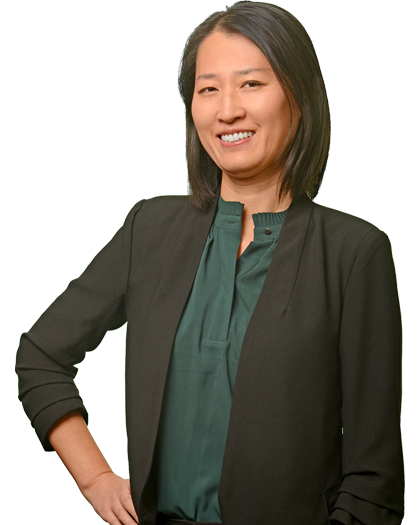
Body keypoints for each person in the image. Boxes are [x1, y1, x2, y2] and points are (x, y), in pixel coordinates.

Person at [15, 2, 404, 525]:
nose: (227, 110)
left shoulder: (354, 253)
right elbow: (40, 355)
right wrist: (96, 479)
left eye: (251, 84)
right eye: (207, 89)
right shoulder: (150, 229)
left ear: (300, 99)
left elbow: (374, 480)